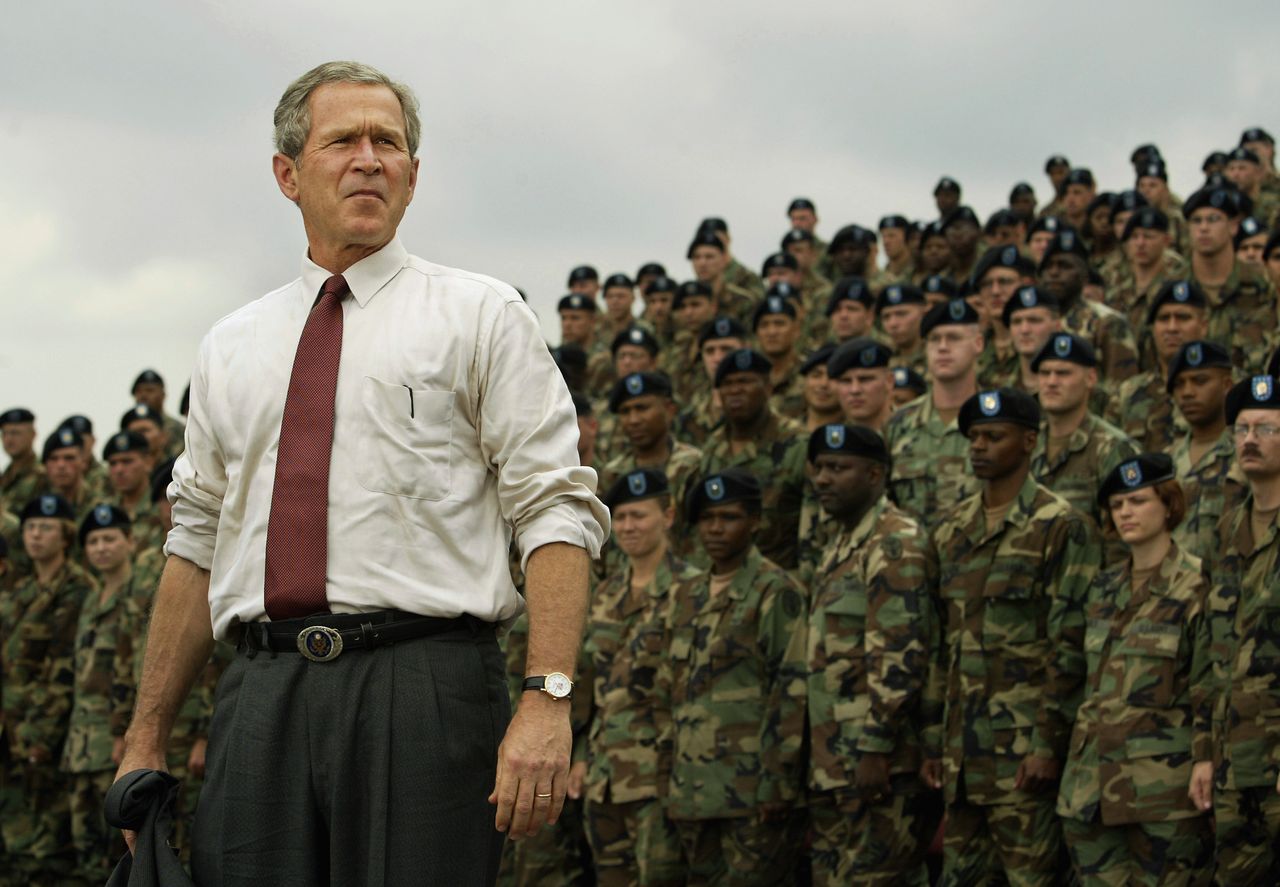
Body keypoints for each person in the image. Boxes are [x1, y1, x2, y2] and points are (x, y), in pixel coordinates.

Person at [112, 61, 609, 886]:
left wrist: (548, 697)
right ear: (287, 172)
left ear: (415, 173)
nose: (369, 158)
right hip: (261, 693)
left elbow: (555, 509)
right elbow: (195, 542)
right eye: (343, 139)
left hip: (424, 687)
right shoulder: (233, 343)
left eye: (390, 142)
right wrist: (145, 735)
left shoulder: (481, 315)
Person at [922, 388, 1099, 887]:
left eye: (993, 436)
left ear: (1028, 441)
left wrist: (1047, 743)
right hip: (963, 761)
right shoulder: (950, 532)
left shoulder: (1061, 527)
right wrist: (934, 740)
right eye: (974, 436)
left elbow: (1071, 646)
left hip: (1024, 757)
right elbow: (942, 648)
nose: (979, 446)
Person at [1056, 455, 1213, 885]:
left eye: (1139, 501)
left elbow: (1208, 685)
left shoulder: (1199, 584)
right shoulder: (1103, 587)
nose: (1125, 512)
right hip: (1090, 786)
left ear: (1169, 506)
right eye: (1118, 504)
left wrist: (1205, 759)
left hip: (1163, 789)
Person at [659, 469, 808, 883]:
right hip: (692, 790)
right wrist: (665, 773)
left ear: (756, 521)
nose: (716, 529)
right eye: (707, 519)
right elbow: (670, 689)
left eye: (729, 517)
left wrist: (778, 781)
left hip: (751, 792)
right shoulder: (686, 594)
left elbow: (791, 687)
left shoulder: (775, 590)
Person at [805, 424, 938, 886]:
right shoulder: (842, 542)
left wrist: (875, 748)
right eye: (820, 467)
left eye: (839, 468)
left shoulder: (893, 542)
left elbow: (902, 655)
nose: (823, 478)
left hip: (879, 764)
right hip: (834, 760)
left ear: (876, 475)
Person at [580, 469, 695, 887]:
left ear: (668, 516)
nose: (628, 527)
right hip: (605, 777)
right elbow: (591, 684)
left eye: (639, 516)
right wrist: (580, 757)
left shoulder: (693, 590)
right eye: (621, 517)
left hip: (659, 779)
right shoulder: (607, 594)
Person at [1193, 373, 1280, 884]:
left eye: (1266, 429)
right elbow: (1210, 651)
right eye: (1242, 429)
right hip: (1235, 769)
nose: (1249, 439)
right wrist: (1204, 754)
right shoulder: (1226, 529)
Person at [1, 494, 96, 883]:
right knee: (14, 843)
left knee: (49, 849)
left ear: (65, 535)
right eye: (30, 528)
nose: (36, 536)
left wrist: (40, 734)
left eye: (46, 528)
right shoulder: (22, 592)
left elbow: (63, 669)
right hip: (12, 730)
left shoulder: (75, 588)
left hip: (46, 737)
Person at [63, 504, 140, 883]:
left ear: (130, 540)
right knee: (84, 851)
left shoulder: (137, 596)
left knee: (118, 853)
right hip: (80, 745)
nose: (101, 548)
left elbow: (134, 673)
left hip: (115, 743)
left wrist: (122, 735)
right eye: (93, 541)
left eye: (110, 538)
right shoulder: (91, 599)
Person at [882, 299, 984, 530]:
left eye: (954, 338)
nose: (943, 347)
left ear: (978, 343)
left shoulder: (997, 420)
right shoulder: (899, 424)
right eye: (934, 339)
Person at [1030, 333, 1139, 530]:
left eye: (1063, 373)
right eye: (1045, 373)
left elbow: (1122, 534)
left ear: (1090, 379)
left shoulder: (1113, 448)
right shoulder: (1027, 443)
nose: (1051, 382)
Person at [1166, 340, 1245, 560]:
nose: (1187, 392)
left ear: (1227, 385)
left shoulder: (1247, 452)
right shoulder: (1167, 462)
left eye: (1200, 381)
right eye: (1179, 384)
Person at [0, 407, 45, 514]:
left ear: (33, 434)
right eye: (4, 434)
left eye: (15, 433)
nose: (9, 440)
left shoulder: (44, 474)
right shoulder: (5, 476)